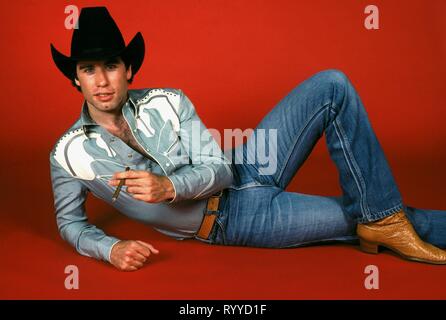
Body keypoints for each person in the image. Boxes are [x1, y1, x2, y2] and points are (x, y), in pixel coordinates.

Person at [49, 6, 446, 272]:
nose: (102, 81)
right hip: (233, 221)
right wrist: (110, 248)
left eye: (112, 66)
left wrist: (168, 186)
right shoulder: (68, 155)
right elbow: (70, 223)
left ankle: (381, 218)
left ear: (129, 69)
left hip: (248, 163)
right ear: (75, 77)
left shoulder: (168, 101)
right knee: (388, 216)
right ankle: (385, 220)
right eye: (89, 69)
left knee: (332, 84)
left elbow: (218, 169)